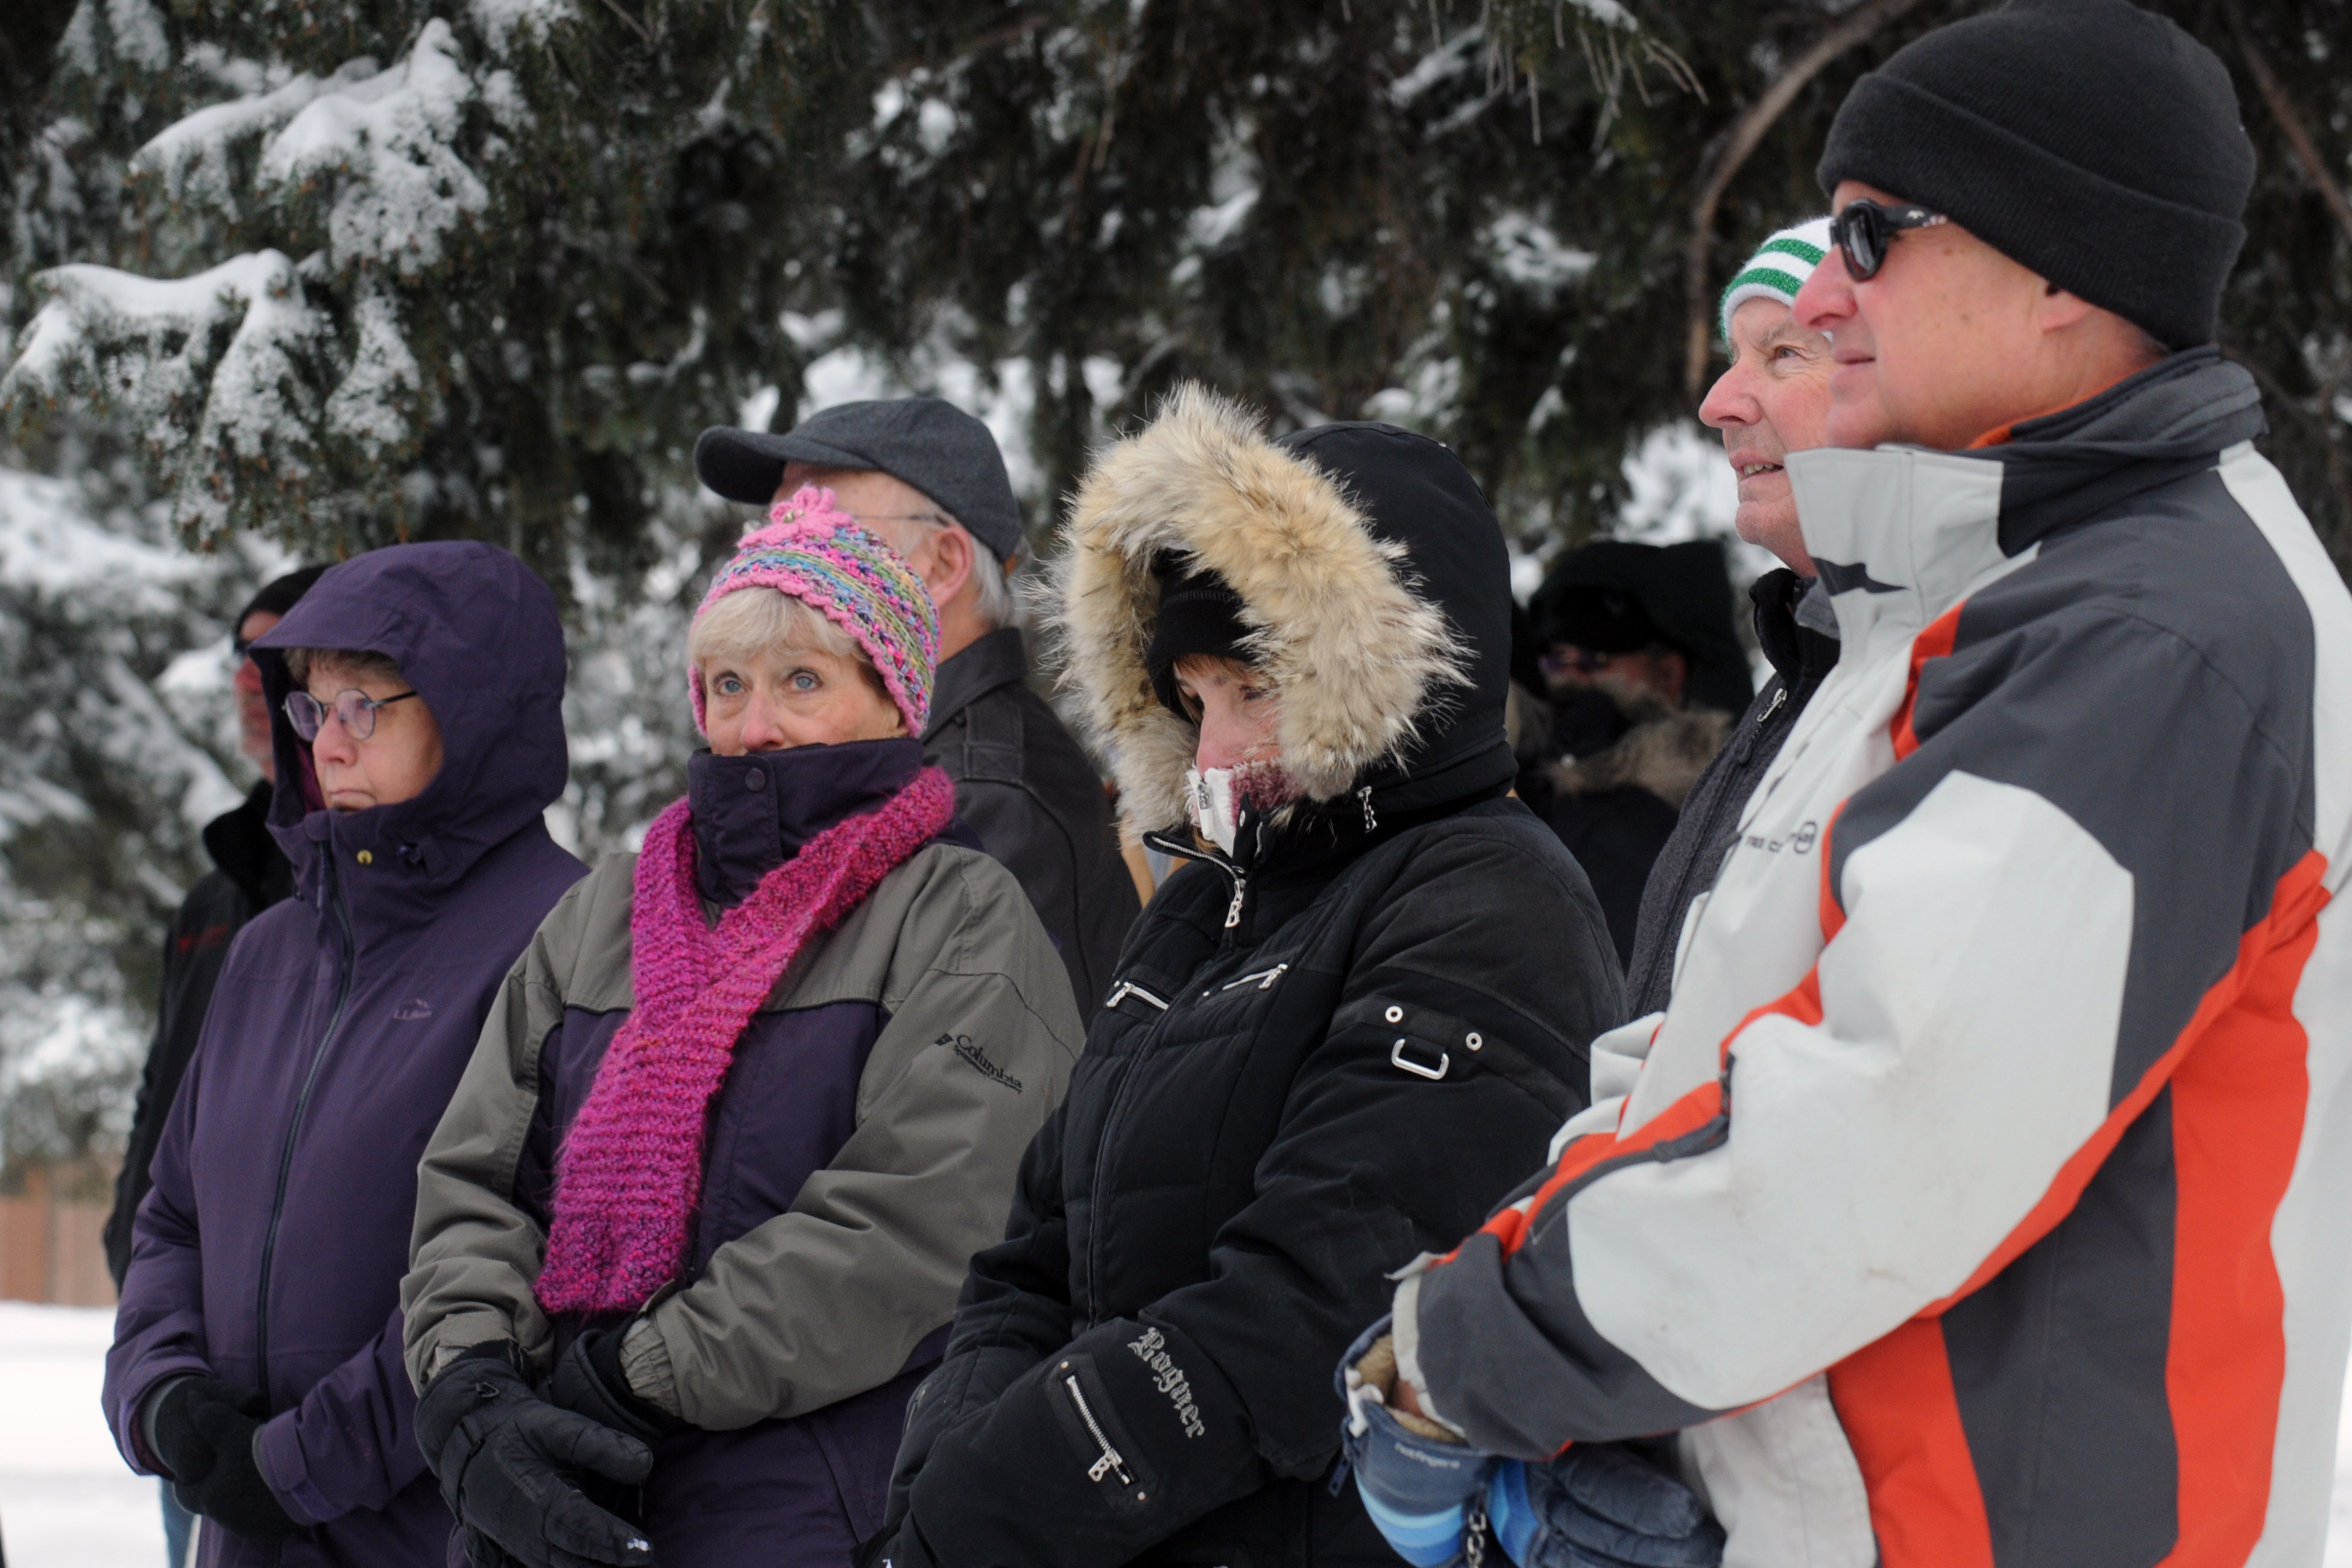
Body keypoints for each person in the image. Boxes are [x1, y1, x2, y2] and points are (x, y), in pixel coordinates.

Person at [1356, 4, 2352, 1565]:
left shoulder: (2156, 630)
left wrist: (1461, 1355)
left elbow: (1880, 1135)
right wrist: (1513, 1306)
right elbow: (1696, 1049)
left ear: (2058, 271)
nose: (1826, 293)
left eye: (1871, 235)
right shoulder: (1936, 607)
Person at [871, 388, 1622, 1567]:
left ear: (1383, 667)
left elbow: (1319, 1304)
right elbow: (1034, 1251)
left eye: (1256, 690)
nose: (1215, 755)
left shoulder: (1491, 897)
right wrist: (942, 1474)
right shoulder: (1207, 903)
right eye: (1195, 700)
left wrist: (987, 1514)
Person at [402, 490, 1083, 1568]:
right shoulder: (602, 916)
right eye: (729, 685)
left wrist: (637, 1374)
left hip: (813, 1516)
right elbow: (476, 1180)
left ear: (891, 700)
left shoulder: (955, 912)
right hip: (552, 1505)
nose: (755, 724)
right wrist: (478, 1390)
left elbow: (923, 1219)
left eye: (802, 681)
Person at [104, 543, 587, 1567]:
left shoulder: (569, 938)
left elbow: (545, 1254)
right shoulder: (270, 949)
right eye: (314, 710)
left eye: (367, 705)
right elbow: (172, 1214)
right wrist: (164, 1395)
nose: (329, 744)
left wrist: (304, 1461)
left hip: (442, 1530)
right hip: (241, 1528)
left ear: (476, 708)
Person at [696, 398, 1139, 1010]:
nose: (782, 560)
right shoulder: (884, 759)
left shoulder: (988, 795)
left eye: (823, 526)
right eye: (774, 528)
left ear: (942, 563)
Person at [104, 564, 325, 1568]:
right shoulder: (214, 893)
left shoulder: (356, 889)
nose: (249, 676)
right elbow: (164, 1095)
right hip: (187, 1371)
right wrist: (133, 1258)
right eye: (241, 652)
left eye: (273, 655)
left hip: (317, 1404)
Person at [1621, 218, 1843, 1015]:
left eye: (1784, 353)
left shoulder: (1968, 670)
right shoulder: (1804, 668)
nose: (1718, 402)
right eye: (1733, 358)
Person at [1522, 540, 1747, 962]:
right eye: (1554, 660)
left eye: (1591, 658)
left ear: (1667, 676)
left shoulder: (1711, 835)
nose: (1567, 678)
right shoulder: (1514, 779)